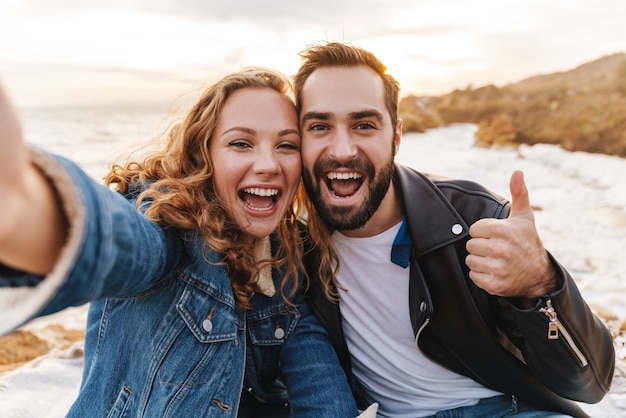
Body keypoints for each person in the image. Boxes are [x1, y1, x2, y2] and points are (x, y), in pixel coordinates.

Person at [0, 68, 363, 417]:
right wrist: (25, 208)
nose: (268, 163)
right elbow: (121, 243)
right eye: (241, 143)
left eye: (286, 145)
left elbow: (317, 380)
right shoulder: (169, 229)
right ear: (204, 154)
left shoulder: (283, 263)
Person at [293, 41, 615, 417]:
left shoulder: (474, 221)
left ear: (396, 137)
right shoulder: (293, 246)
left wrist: (540, 283)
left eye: (364, 125)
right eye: (319, 126)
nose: (343, 149)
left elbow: (590, 385)